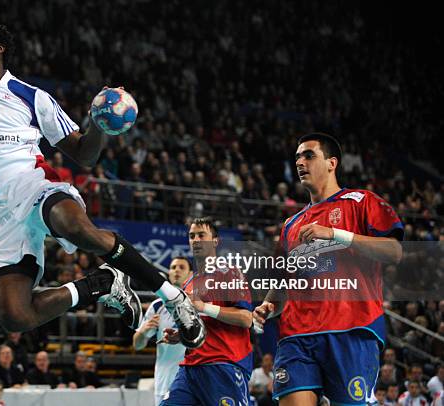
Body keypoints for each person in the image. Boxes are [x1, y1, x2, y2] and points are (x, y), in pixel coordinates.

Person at [0, 18, 204, 348]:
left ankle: (174, 298)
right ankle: (103, 284)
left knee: (76, 228)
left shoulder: (32, 97)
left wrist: (99, 122)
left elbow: (84, 154)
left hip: (34, 187)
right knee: (15, 317)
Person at [253, 133, 403, 405]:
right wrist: (268, 306)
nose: (300, 161)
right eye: (297, 156)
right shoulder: (291, 225)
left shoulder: (361, 202)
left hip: (351, 330)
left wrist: (336, 234)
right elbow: (286, 283)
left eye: (309, 155)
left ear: (332, 163)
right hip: (297, 336)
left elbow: (394, 251)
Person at [161, 218, 253, 405]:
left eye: (201, 235)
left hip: (223, 364)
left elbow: (246, 319)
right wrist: (181, 335)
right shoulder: (189, 283)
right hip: (190, 369)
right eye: (192, 236)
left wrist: (204, 306)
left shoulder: (229, 273)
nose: (195, 240)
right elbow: (200, 324)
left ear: (215, 241)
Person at [132, 256, 191, 406]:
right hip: (166, 380)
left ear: (190, 275)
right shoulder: (158, 305)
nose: (176, 270)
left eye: (181, 267)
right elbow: (137, 345)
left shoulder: (200, 305)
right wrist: (143, 332)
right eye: (173, 267)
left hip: (194, 379)